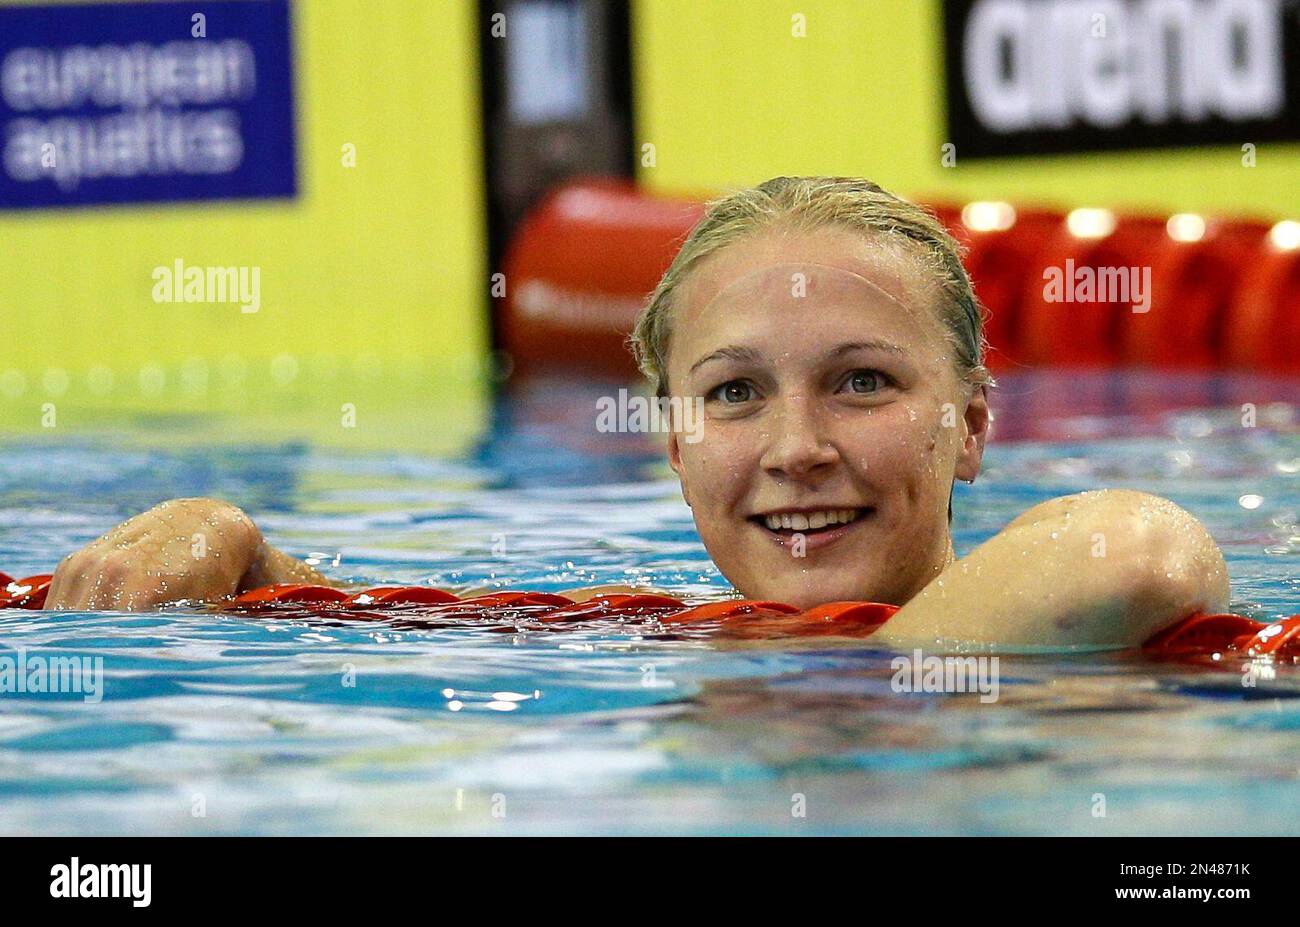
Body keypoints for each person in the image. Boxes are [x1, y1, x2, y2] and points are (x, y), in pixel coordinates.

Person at [43, 177, 1229, 648]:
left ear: (970, 425)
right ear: (672, 441)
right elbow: (408, 623)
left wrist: (842, 684)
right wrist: (232, 538)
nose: (798, 449)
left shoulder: (1065, 629)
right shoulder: (660, 635)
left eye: (862, 381)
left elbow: (1135, 550)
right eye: (733, 395)